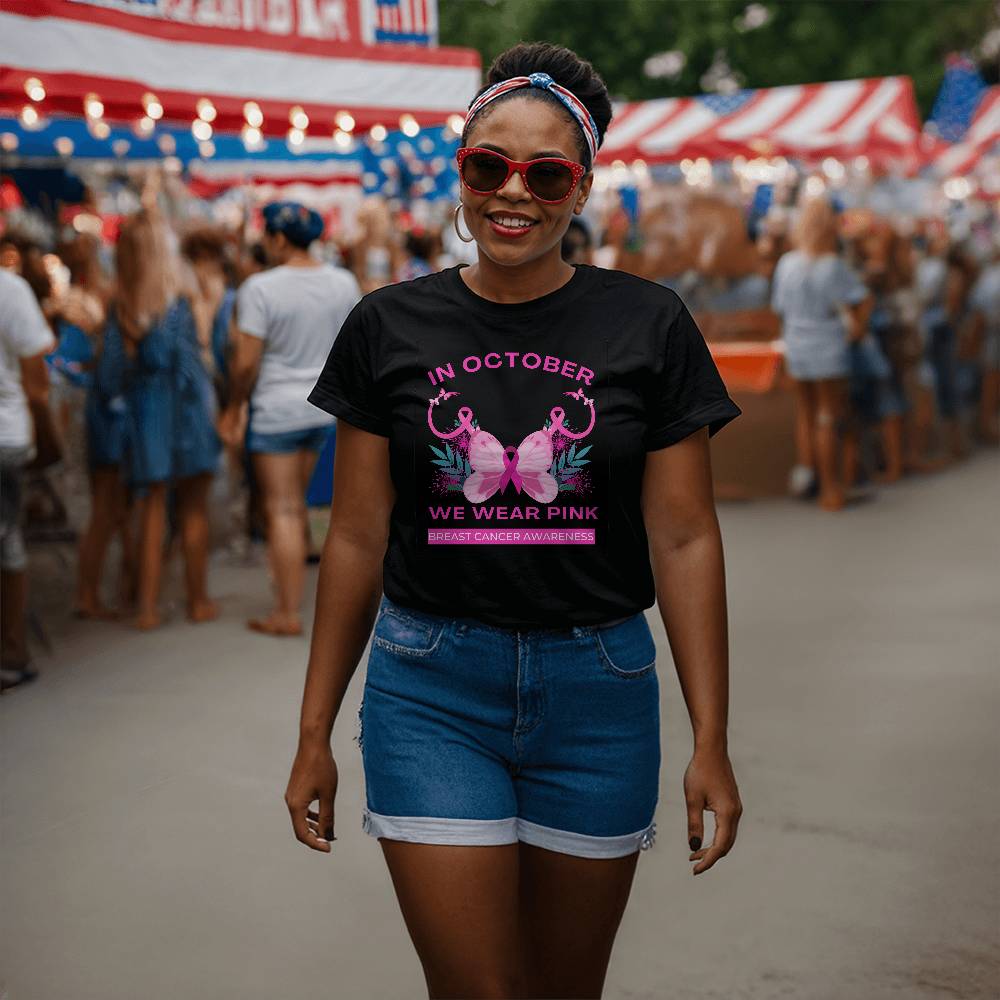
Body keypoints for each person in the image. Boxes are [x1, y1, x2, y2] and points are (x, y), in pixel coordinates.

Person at [285, 42, 744, 1000]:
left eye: (546, 173)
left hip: (601, 693)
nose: (514, 194)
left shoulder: (649, 324)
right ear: (461, 170)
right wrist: (314, 730)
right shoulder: (385, 324)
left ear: (581, 187)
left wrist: (712, 738)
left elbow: (686, 537)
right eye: (489, 165)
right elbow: (360, 537)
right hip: (430, 692)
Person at [220, 201, 361, 637]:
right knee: (309, 508)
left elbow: (245, 363)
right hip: (326, 409)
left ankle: (286, 611)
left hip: (276, 411)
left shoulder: (260, 288)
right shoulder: (343, 282)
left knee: (282, 509)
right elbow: (354, 345)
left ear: (279, 238)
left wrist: (233, 405)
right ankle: (319, 605)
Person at [112, 194, 221, 630]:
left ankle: (146, 607)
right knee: (194, 510)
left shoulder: (121, 303)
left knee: (150, 509)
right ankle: (197, 600)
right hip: (186, 411)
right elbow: (191, 368)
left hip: (145, 414)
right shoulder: (178, 301)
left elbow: (113, 372)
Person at [771, 196, 872, 511]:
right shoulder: (833, 265)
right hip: (827, 345)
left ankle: (809, 476)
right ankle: (832, 488)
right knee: (828, 415)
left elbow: (779, 308)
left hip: (797, 343)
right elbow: (862, 298)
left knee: (805, 412)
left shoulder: (786, 263)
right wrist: (857, 327)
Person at [0, 268, 56, 691]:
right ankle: (12, 652)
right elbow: (37, 384)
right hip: (5, 435)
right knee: (7, 543)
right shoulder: (9, 288)